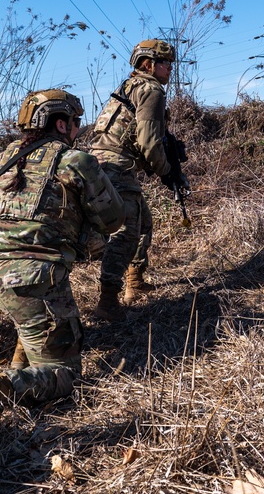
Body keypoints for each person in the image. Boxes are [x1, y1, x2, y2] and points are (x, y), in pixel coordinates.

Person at [0, 89, 123, 416]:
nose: (78, 128)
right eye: (76, 121)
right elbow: (114, 218)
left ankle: (25, 352)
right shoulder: (75, 161)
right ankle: (0, 388)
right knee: (67, 377)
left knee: (28, 308)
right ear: (61, 125)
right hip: (26, 279)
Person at [89, 39, 185, 320]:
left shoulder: (128, 86)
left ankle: (136, 283)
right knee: (126, 233)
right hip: (116, 166)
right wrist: (167, 172)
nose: (170, 69)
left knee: (143, 223)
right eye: (166, 63)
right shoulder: (152, 90)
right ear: (149, 65)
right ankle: (107, 304)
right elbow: (150, 142)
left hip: (105, 163)